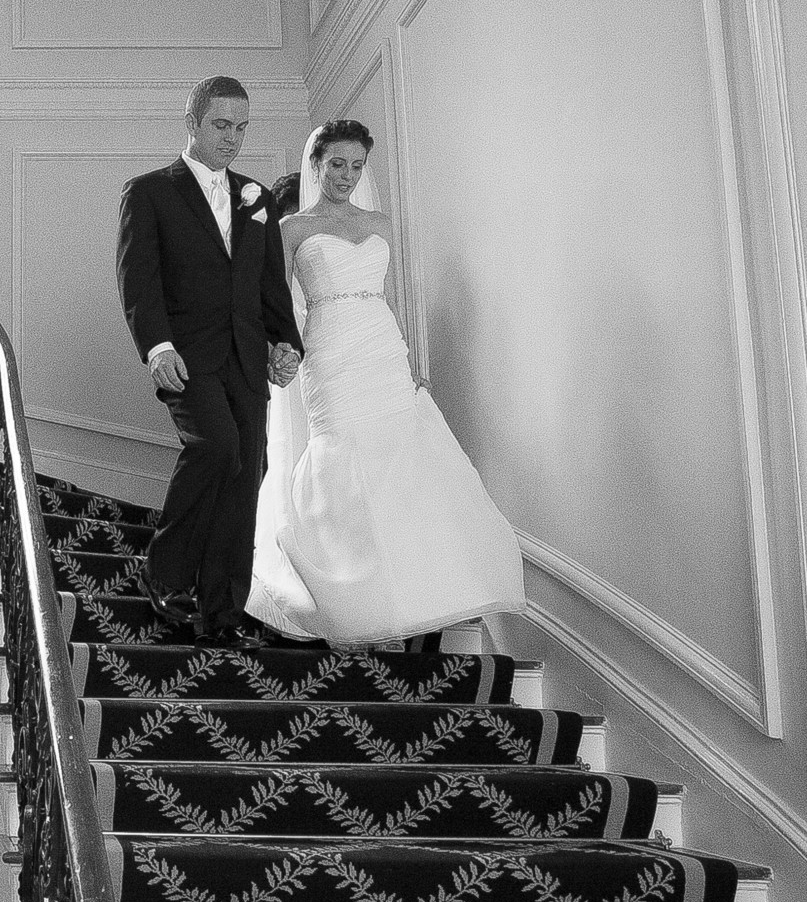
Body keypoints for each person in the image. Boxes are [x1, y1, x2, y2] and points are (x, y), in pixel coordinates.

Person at [245, 120, 525, 644]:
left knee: (402, 462)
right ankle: (348, 598)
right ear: (316, 164)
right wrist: (278, 350)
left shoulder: (381, 223)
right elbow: (276, 304)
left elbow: (389, 297)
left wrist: (411, 359)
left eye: (357, 165)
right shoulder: (292, 229)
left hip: (382, 348)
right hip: (328, 350)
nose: (347, 175)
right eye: (337, 164)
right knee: (343, 462)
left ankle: (408, 596)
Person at [115, 76, 304, 639]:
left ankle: (222, 614)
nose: (232, 138)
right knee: (217, 448)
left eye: (241, 127)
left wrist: (286, 343)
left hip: (247, 359)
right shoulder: (148, 192)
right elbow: (138, 280)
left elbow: (270, 284)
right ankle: (166, 572)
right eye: (222, 125)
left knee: (246, 476)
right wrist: (157, 346)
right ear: (192, 121)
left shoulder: (258, 199)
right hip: (186, 358)